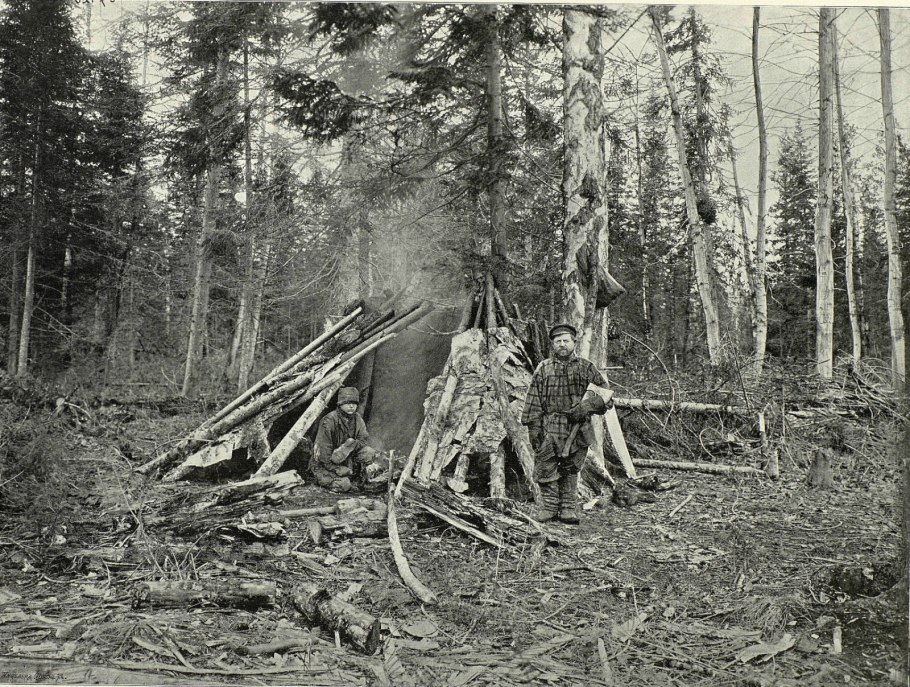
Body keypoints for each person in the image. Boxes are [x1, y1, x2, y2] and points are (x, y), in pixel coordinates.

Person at [521, 323, 608, 524]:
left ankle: (568, 508)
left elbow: (605, 395)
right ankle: (550, 508)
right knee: (546, 466)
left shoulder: (586, 368)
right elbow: (533, 398)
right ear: (552, 344)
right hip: (549, 426)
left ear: (574, 342)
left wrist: (586, 407)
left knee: (571, 468)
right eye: (558, 341)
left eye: (566, 341)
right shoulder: (544, 368)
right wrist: (533, 427)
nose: (562, 344)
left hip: (578, 428)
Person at [310, 386, 382, 492]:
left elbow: (363, 438)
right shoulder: (329, 421)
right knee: (344, 485)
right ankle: (323, 479)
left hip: (346, 459)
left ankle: (356, 478)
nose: (351, 406)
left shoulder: (357, 419)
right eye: (347, 402)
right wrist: (336, 469)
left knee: (369, 452)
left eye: (354, 403)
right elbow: (323, 456)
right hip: (325, 464)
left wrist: (351, 445)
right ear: (340, 404)